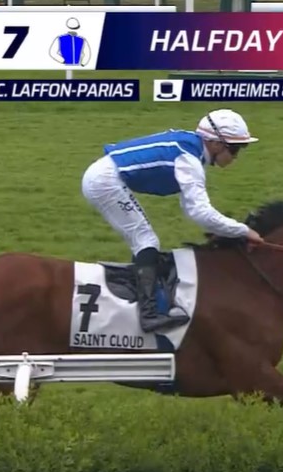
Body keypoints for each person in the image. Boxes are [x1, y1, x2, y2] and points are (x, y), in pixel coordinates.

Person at [81, 109, 265, 333]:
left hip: (104, 177)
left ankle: (144, 295)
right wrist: (243, 231)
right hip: (104, 182)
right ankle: (149, 315)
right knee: (146, 240)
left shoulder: (190, 148)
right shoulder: (189, 160)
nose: (236, 156)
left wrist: (226, 229)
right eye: (235, 149)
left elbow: (190, 208)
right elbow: (199, 212)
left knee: (144, 240)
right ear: (216, 143)